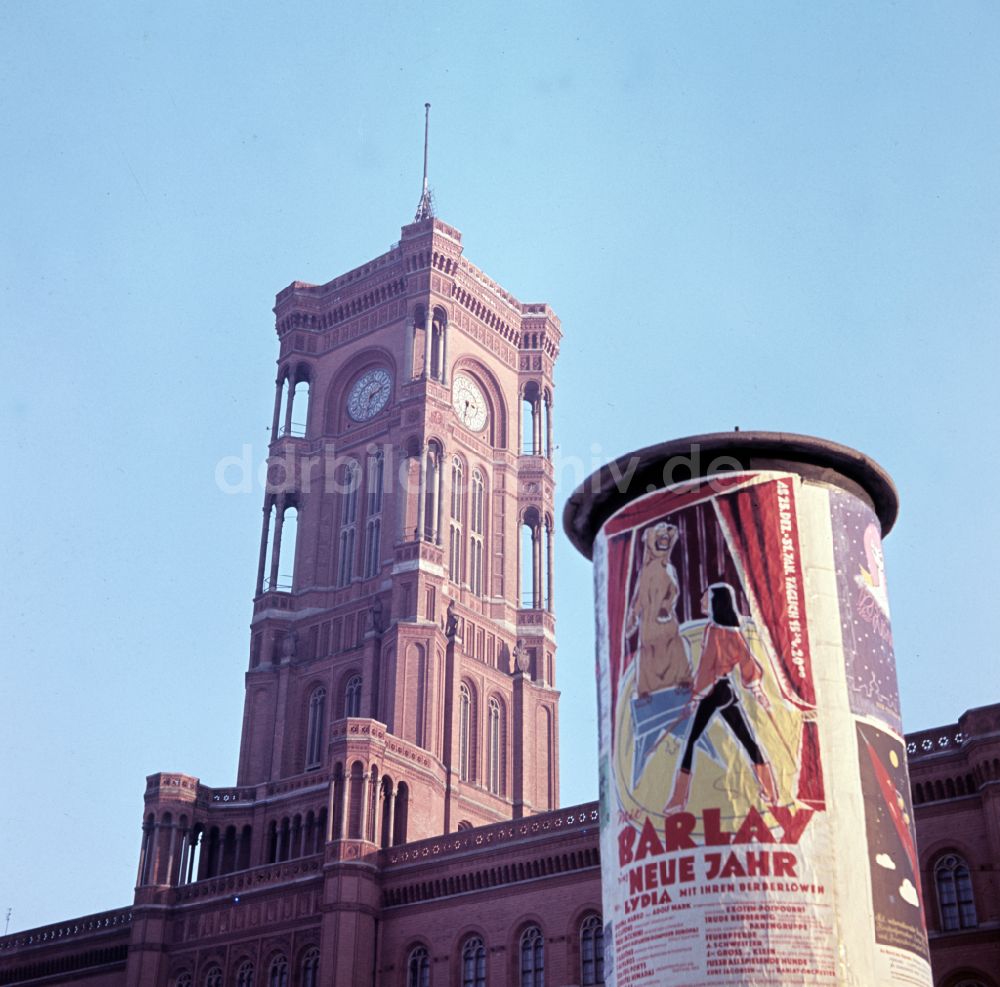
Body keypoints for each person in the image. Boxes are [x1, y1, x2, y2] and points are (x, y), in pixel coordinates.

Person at [664, 582, 778, 813]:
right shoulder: (732, 633)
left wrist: (696, 697)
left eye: (705, 598)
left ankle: (678, 799)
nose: (701, 601)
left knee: (691, 741)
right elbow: (748, 664)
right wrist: (758, 691)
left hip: (713, 693)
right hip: (726, 691)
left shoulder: (715, 632)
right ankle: (770, 790)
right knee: (748, 740)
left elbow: (707, 668)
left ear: (715, 603)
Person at [625, 522, 692, 699]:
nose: (663, 542)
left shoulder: (668, 568)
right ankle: (646, 691)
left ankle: (682, 681)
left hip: (664, 619)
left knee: (673, 647)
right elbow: (638, 598)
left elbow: (674, 591)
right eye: (660, 539)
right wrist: (632, 618)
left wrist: (665, 606)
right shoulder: (645, 572)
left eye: (665, 540)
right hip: (648, 622)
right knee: (647, 653)